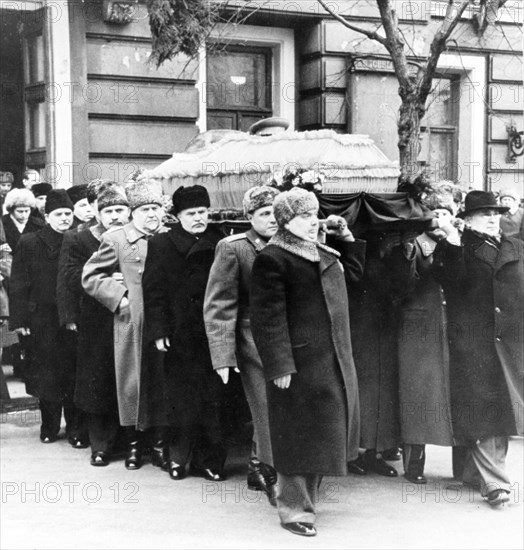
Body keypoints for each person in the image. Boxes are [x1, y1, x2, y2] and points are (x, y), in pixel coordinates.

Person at [250, 188, 366, 537]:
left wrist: (347, 238)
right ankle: (293, 510)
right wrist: (280, 365)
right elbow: (267, 318)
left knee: (323, 433)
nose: (313, 219)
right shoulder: (273, 257)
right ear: (285, 221)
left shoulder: (321, 251)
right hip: (297, 363)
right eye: (304, 215)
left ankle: (306, 501)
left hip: (330, 360)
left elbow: (356, 277)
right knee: (295, 436)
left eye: (314, 212)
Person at [433, 190, 524, 507]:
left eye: (495, 212)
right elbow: (450, 282)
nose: (491, 217)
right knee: (486, 405)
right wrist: (452, 241)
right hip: (474, 340)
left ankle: (474, 473)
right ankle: (496, 483)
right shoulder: (459, 247)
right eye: (483, 213)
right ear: (466, 219)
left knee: (505, 406)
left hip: (510, 339)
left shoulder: (514, 246)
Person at [143, 185, 228, 482]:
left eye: (203, 212)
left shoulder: (220, 240)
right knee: (180, 397)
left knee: (213, 397)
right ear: (177, 216)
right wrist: (158, 329)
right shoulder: (162, 244)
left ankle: (211, 460)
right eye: (191, 213)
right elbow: (152, 291)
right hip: (179, 332)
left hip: (213, 330)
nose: (198, 218)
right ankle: (178, 457)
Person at [82, 179, 168, 470]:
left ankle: (159, 445)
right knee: (132, 384)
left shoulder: (168, 237)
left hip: (166, 325)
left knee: (162, 383)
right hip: (132, 323)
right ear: (133, 212)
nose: (151, 214)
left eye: (156, 207)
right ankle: (133, 446)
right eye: (144, 209)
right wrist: (119, 299)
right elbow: (91, 276)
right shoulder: (117, 239)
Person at [204, 185, 279, 502]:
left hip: (288, 340)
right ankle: (274, 476)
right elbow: (219, 304)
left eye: (277, 212)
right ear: (249, 217)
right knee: (266, 408)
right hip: (251, 340)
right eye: (264, 214)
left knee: (278, 407)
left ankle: (256, 467)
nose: (273, 219)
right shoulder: (234, 248)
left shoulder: (295, 243)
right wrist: (223, 356)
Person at [58, 183, 130, 464]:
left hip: (130, 318)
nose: (114, 216)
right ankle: (100, 445)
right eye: (108, 211)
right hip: (95, 319)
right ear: (97, 214)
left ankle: (129, 441)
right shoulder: (79, 240)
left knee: (126, 378)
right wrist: (108, 282)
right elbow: (70, 277)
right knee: (97, 380)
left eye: (120, 210)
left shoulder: (136, 237)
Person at [9, 189, 85, 443]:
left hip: (72, 317)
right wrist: (20, 321)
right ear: (47, 215)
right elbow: (19, 282)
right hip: (41, 319)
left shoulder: (78, 240)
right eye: (59, 214)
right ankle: (49, 427)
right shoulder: (30, 242)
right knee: (47, 373)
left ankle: (75, 429)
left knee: (74, 372)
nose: (64, 218)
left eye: (68, 214)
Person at [347, 227, 417, 477]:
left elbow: (404, 285)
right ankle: (353, 452)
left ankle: (373, 451)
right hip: (358, 323)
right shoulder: (355, 240)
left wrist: (405, 250)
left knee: (380, 389)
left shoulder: (394, 247)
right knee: (363, 388)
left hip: (383, 323)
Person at [397, 187, 456, 484]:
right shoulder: (416, 246)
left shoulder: (453, 242)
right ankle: (414, 461)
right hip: (420, 330)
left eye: (447, 213)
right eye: (436, 214)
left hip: (445, 327)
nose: (442, 219)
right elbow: (411, 279)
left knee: (446, 393)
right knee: (418, 392)